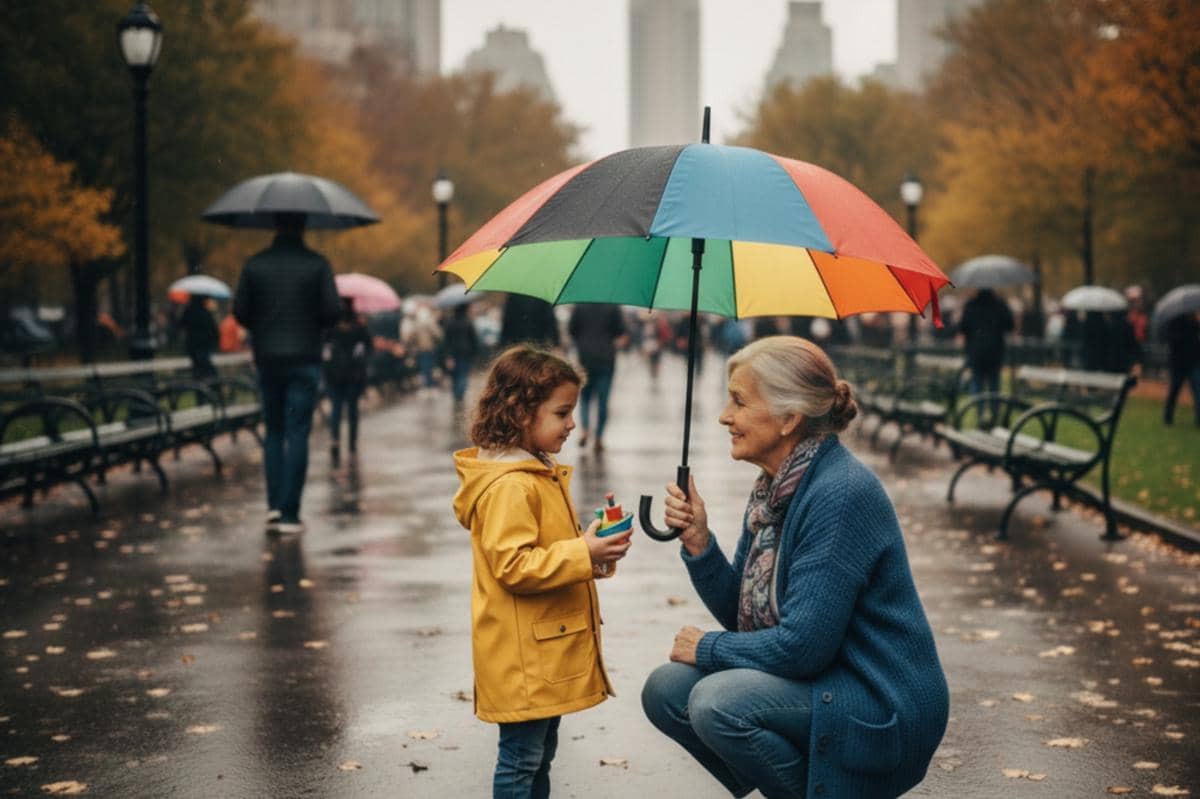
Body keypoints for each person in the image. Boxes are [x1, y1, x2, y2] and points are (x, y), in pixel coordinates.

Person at [641, 336, 949, 799]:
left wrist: (707, 648)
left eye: (739, 401)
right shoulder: (775, 490)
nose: (724, 416)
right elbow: (746, 620)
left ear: (789, 418)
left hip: (878, 700)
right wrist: (700, 545)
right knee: (666, 690)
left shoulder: (839, 495)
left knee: (716, 702)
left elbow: (802, 648)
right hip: (822, 681)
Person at [452, 345, 633, 798]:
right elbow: (513, 566)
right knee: (521, 760)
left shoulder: (537, 471)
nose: (572, 423)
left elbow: (548, 553)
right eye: (562, 412)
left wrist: (594, 550)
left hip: (540, 651)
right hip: (524, 658)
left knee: (538, 755)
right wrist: (583, 551)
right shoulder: (512, 485)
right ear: (520, 412)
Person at [234, 211, 341, 535]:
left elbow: (240, 311)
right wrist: (311, 322)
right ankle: (291, 513)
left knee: (274, 431)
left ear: (275, 225)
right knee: (297, 432)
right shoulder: (318, 264)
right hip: (305, 358)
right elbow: (332, 311)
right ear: (303, 226)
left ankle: (273, 506)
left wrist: (263, 324)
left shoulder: (255, 265)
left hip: (268, 358)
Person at [568, 303, 627, 452]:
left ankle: (585, 430)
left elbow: (572, 330)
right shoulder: (613, 307)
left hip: (585, 357)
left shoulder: (580, 306)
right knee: (603, 401)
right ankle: (599, 437)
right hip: (606, 359)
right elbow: (620, 332)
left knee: (585, 398)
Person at [324, 298, 373, 466]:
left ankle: (335, 439)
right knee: (352, 409)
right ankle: (352, 443)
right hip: (354, 375)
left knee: (336, 408)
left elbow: (324, 347)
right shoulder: (358, 327)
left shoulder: (330, 327)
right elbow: (368, 347)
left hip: (334, 374)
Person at [958, 288, 1014, 400]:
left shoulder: (971, 305)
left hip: (975, 351)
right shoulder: (1000, 304)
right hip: (995, 350)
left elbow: (962, 327)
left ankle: (978, 407)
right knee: (994, 383)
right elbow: (1010, 325)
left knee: (977, 381)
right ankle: (995, 407)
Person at [1164, 310, 1200, 426]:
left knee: (1198, 391)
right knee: (1174, 390)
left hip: (1193, 362)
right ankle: (1168, 417)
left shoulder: (1195, 322)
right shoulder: (1176, 321)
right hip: (1179, 363)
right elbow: (1173, 340)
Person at [442, 303, 481, 406]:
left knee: (454, 376)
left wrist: (447, 356)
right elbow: (474, 339)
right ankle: (460, 396)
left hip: (453, 354)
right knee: (463, 375)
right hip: (466, 353)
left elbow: (446, 341)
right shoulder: (468, 322)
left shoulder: (449, 323)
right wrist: (475, 353)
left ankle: (456, 395)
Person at [179, 295, 219, 380]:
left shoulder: (188, 312)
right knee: (207, 368)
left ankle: (199, 383)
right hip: (204, 345)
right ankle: (213, 383)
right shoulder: (205, 312)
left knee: (197, 368)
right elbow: (213, 330)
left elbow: (181, 325)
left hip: (192, 345)